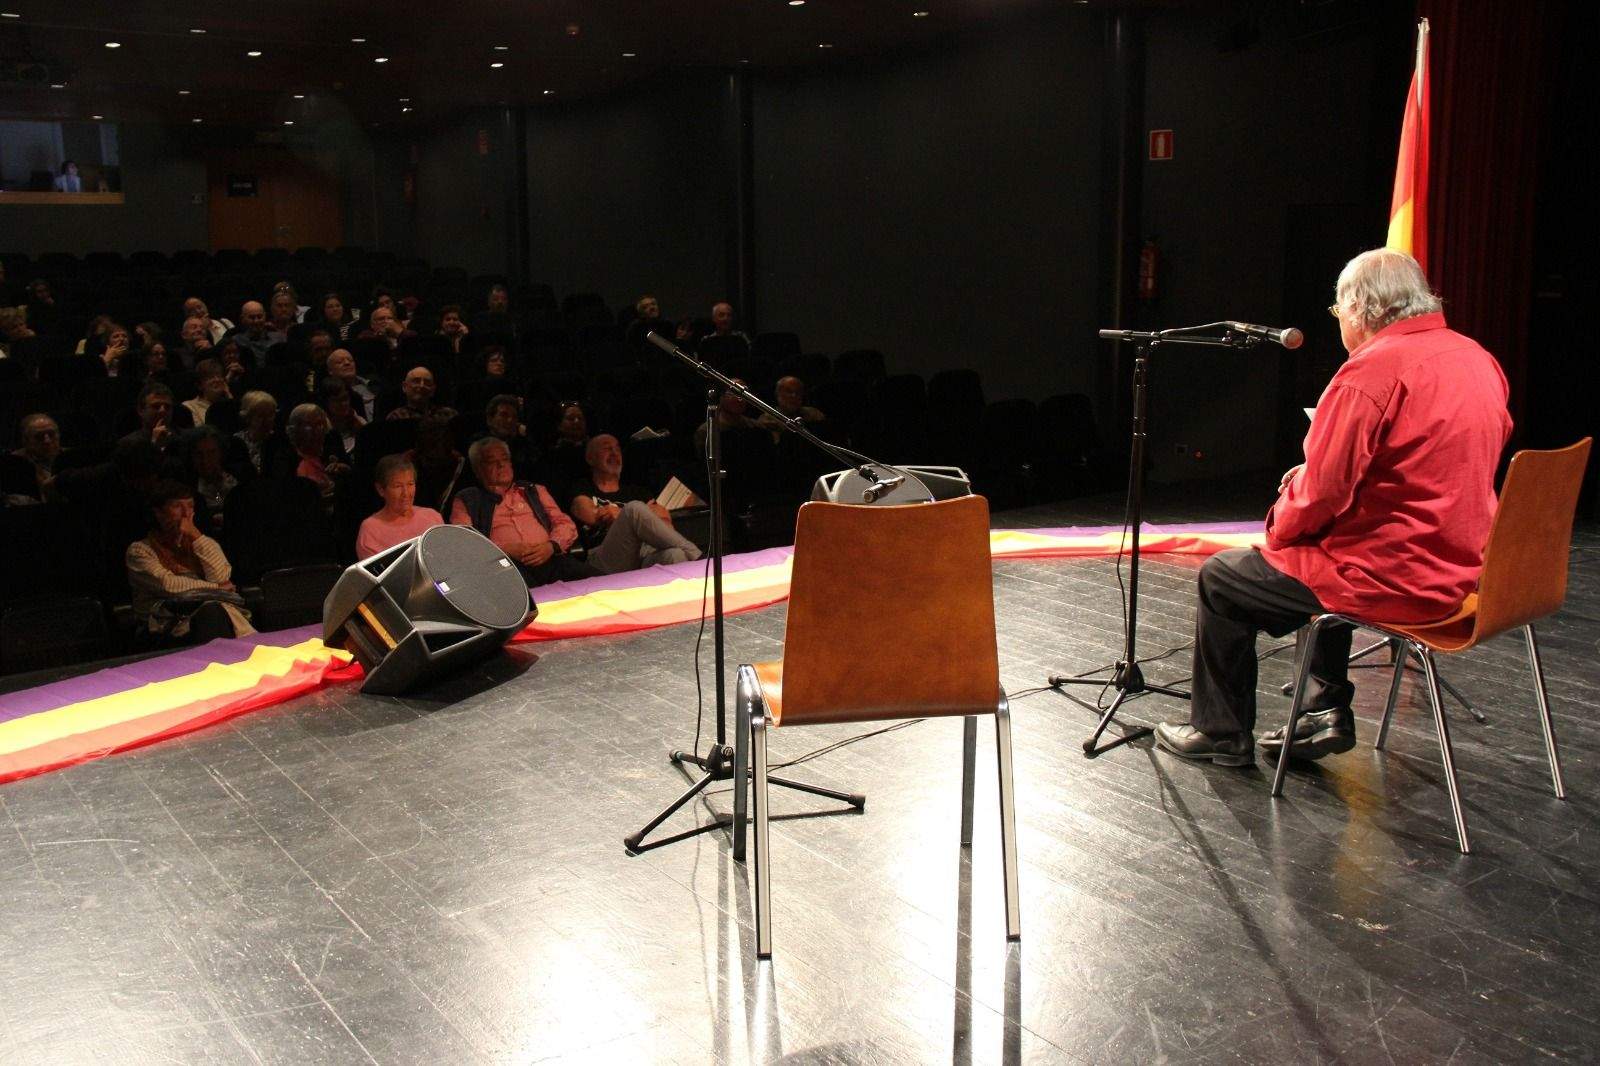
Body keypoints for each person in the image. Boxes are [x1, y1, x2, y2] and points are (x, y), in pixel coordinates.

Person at [1153, 249, 1513, 767]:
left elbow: (1322, 493)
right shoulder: (1476, 358)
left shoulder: (1369, 372)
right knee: (1327, 544)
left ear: (1360, 310)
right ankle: (1322, 709)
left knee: (1224, 575)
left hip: (1396, 580)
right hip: (1465, 571)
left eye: (1338, 312)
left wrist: (1281, 521)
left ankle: (1220, 732)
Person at [450, 437, 593, 586]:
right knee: (528, 596)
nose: (501, 465)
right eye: (492, 461)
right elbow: (464, 541)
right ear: (477, 469)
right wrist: (505, 549)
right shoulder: (467, 499)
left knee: (599, 582)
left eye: (505, 459)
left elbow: (564, 523)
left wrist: (551, 546)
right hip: (505, 567)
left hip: (550, 558)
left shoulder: (533, 490)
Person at [126, 481, 254, 642]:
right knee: (212, 611)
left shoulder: (200, 543)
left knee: (213, 611)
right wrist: (216, 589)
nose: (186, 514)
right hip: (165, 622)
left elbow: (221, 576)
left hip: (206, 613)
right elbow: (169, 585)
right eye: (177, 507)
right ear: (158, 513)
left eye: (190, 506)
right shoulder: (139, 551)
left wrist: (195, 535)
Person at [568, 434, 702, 574]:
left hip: (644, 554)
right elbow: (589, 514)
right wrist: (635, 514)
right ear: (590, 458)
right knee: (634, 508)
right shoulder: (582, 487)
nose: (614, 453)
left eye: (617, 449)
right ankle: (698, 557)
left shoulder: (637, 492)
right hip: (605, 558)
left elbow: (665, 522)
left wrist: (620, 513)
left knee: (676, 555)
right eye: (607, 448)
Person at [356, 453, 444, 557]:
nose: (406, 493)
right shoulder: (370, 530)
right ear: (381, 489)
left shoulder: (432, 517)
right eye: (397, 486)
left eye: (410, 484)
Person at [181, 426, 238, 528]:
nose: (205, 460)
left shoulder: (236, 475)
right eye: (199, 454)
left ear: (220, 452)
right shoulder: (187, 485)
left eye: (211, 452)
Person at [2, 413, 62, 504]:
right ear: (26, 441)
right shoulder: (12, 464)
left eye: (51, 434)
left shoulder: (72, 457)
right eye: (39, 436)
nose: (47, 441)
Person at [484, 393, 538, 479]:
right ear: (490, 419)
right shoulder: (479, 447)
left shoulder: (524, 447)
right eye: (504, 415)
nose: (510, 420)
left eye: (514, 416)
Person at [757, 375, 826, 439]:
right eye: (789, 391)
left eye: (798, 392)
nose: (794, 395)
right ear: (778, 394)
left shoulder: (813, 414)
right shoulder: (768, 419)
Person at [232, 390, 279, 475]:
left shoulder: (279, 442)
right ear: (248, 417)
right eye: (261, 415)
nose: (267, 420)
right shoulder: (236, 441)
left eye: (271, 414)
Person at [324, 347, 376, 421]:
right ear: (330, 370)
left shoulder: (374, 383)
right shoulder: (330, 392)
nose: (347, 363)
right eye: (340, 362)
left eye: (351, 360)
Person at [183, 358, 232, 425]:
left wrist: (229, 395)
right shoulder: (189, 407)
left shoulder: (228, 402)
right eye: (211, 377)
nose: (217, 380)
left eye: (219, 376)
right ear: (200, 385)